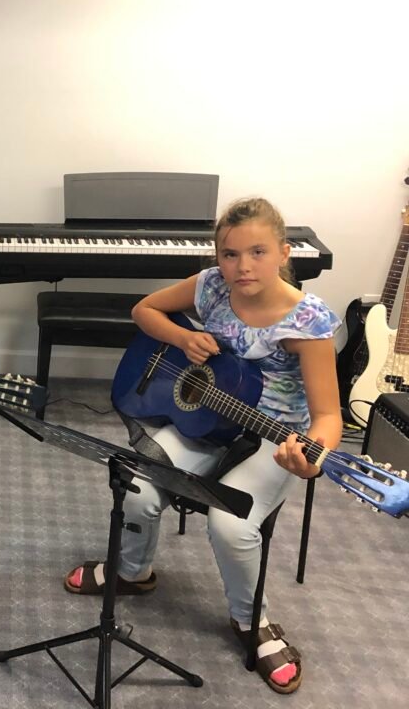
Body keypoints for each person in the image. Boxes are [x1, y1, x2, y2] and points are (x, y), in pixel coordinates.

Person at [63, 197, 341, 694]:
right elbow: (143, 311)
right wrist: (181, 338)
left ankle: (252, 621)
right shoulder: (212, 286)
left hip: (269, 437)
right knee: (135, 485)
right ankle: (133, 571)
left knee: (231, 524)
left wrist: (308, 453)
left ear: (283, 252)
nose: (242, 266)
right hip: (206, 421)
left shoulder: (308, 322)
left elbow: (326, 417)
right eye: (230, 254)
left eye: (257, 252)